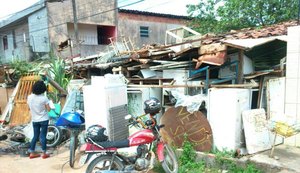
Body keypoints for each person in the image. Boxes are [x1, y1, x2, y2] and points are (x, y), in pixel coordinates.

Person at [27, 80, 51, 159]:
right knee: (43, 136)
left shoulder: (29, 97)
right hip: (44, 119)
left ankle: (31, 152)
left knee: (35, 136)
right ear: (43, 89)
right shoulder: (44, 98)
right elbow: (49, 109)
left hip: (35, 120)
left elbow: (28, 108)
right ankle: (44, 153)